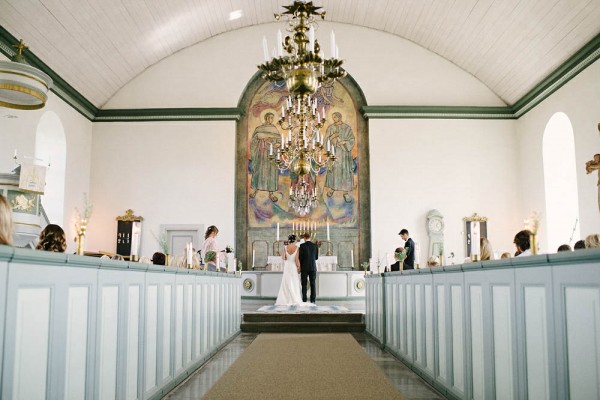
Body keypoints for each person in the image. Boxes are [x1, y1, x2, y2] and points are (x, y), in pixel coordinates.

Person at [324, 111, 355, 203]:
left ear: (340, 117)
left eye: (336, 117)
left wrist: (345, 142)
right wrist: (333, 137)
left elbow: (352, 139)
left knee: (345, 171)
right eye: (333, 118)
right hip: (334, 153)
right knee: (334, 171)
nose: (334, 119)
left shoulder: (347, 128)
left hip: (344, 154)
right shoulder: (331, 128)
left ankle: (345, 193)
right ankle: (332, 188)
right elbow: (326, 140)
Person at [250, 112, 280, 202]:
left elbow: (278, 140)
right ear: (266, 118)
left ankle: (271, 193)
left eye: (272, 118)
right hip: (262, 153)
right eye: (269, 118)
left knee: (271, 172)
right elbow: (253, 141)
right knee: (259, 171)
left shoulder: (274, 129)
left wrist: (276, 144)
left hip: (271, 153)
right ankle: (255, 190)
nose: (271, 120)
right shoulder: (259, 129)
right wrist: (262, 139)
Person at [275, 234, 303, 306]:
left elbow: (283, 257)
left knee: (286, 281)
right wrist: (299, 266)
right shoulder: (297, 248)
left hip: (287, 266)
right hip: (293, 266)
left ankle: (285, 299)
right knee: (294, 281)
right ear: (295, 240)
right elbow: (297, 260)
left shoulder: (285, 247)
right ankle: (294, 299)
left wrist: (287, 258)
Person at [298, 232, 318, 303]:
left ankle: (304, 299)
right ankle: (313, 300)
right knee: (313, 283)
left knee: (304, 284)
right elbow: (316, 257)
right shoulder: (315, 246)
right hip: (313, 267)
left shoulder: (302, 246)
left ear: (304, 238)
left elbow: (300, 258)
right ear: (310, 237)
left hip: (304, 267)